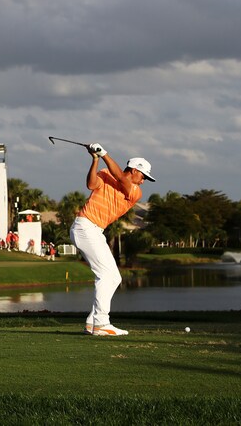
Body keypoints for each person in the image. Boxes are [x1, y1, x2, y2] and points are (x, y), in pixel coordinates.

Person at [69, 142, 155, 337]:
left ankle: (92, 322)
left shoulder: (134, 191)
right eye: (143, 176)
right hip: (85, 227)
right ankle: (101, 324)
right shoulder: (107, 174)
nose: (143, 182)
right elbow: (91, 184)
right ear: (134, 171)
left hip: (93, 230)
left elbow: (121, 179)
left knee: (113, 277)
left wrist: (103, 154)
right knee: (107, 276)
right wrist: (96, 160)